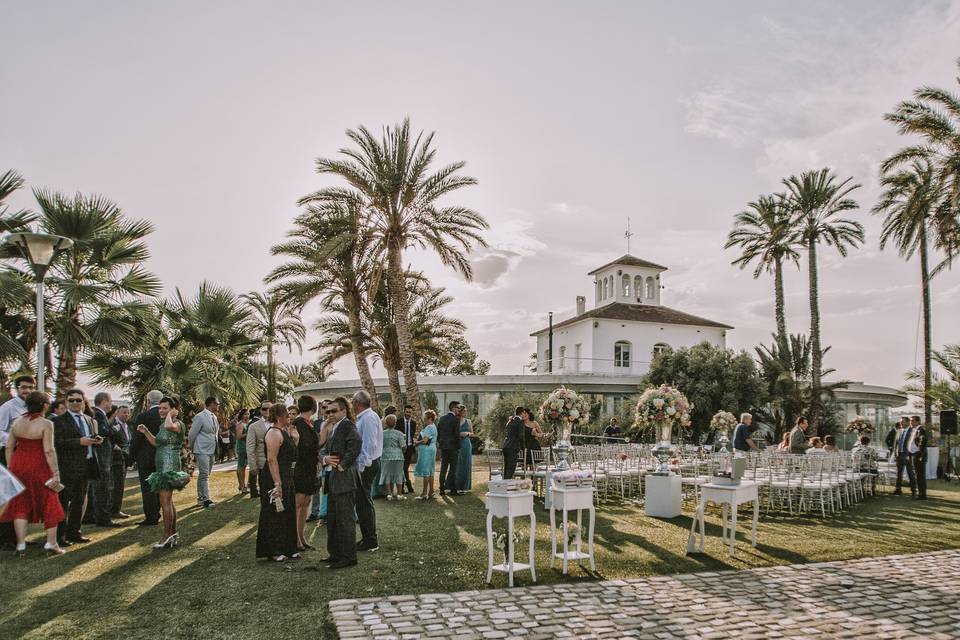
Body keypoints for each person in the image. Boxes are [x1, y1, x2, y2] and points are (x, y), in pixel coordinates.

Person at [0, 392, 66, 556]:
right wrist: (56, 472)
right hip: (39, 465)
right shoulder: (46, 424)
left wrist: (11, 466)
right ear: (44, 405)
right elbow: (49, 450)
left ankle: (21, 545)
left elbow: (9, 447)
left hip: (18, 464)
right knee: (50, 500)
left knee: (20, 504)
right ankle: (51, 544)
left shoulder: (17, 422)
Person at [53, 388, 104, 547]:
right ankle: (59, 536)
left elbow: (90, 439)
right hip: (68, 467)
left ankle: (74, 532)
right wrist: (79, 442)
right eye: (71, 400)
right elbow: (57, 443)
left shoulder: (89, 419)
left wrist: (97, 440)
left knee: (79, 501)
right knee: (63, 502)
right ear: (66, 402)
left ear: (84, 402)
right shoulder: (58, 421)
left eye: (78, 400)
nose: (75, 403)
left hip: (87, 465)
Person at [139, 397, 190, 549]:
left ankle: (167, 535)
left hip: (169, 465)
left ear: (173, 410)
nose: (161, 411)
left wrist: (171, 414)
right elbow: (156, 443)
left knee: (164, 501)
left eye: (165, 408)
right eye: (160, 408)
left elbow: (170, 425)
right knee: (167, 501)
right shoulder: (163, 424)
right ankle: (172, 533)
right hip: (161, 464)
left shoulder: (177, 424)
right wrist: (146, 431)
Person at [255, 404, 300, 562]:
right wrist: (277, 484)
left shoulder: (284, 432)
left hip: (287, 476)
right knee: (274, 513)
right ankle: (273, 550)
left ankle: (289, 547)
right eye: (287, 414)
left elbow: (291, 454)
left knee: (288, 512)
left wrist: (296, 439)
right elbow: (271, 459)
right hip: (275, 477)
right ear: (280, 415)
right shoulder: (273, 433)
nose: (289, 416)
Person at [321, 397, 362, 569]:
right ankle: (335, 554)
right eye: (328, 411)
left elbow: (356, 445)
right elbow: (323, 449)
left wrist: (343, 465)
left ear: (344, 411)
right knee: (333, 519)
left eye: (334, 411)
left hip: (344, 480)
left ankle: (348, 556)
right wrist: (324, 459)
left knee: (345, 520)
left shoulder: (348, 426)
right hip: (333, 480)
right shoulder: (333, 427)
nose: (330, 413)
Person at [0, 375, 35, 550]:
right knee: (9, 496)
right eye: (23, 387)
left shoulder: (33, 407)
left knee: (23, 495)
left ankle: (19, 536)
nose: (27, 391)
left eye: (30, 387)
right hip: (8, 453)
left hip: (27, 455)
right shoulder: (8, 407)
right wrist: (15, 439)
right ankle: (6, 538)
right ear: (17, 389)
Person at [129, 390, 164, 526]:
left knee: (148, 488)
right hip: (162, 456)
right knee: (159, 486)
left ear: (148, 401)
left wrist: (131, 458)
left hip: (146, 457)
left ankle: (151, 516)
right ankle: (158, 511)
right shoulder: (165, 416)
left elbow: (136, 439)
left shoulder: (143, 416)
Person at [351, 390, 381, 552]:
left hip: (367, 465)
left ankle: (370, 539)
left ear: (357, 403)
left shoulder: (368, 418)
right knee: (364, 503)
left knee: (364, 503)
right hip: (368, 464)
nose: (351, 405)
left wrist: (361, 468)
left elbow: (369, 445)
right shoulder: (367, 417)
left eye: (352, 402)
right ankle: (368, 537)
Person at [88, 391, 119, 528]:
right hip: (101, 457)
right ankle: (103, 518)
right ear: (104, 401)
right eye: (110, 401)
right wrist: (115, 428)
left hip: (101, 456)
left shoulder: (98, 414)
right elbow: (102, 432)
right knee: (102, 488)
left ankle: (92, 515)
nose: (111, 405)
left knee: (97, 488)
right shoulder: (98, 414)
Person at [292, 395, 319, 552]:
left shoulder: (309, 424)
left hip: (310, 467)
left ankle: (301, 537)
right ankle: (295, 538)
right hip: (301, 468)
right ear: (313, 407)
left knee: (306, 502)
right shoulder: (298, 424)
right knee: (298, 503)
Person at [188, 396, 220, 509]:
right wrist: (192, 449)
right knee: (204, 474)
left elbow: (214, 434)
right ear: (211, 404)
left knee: (205, 474)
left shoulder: (214, 417)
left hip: (212, 448)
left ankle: (200, 498)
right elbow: (192, 434)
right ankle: (206, 499)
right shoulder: (200, 416)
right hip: (201, 449)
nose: (218, 406)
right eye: (217, 403)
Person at [309, 400, 334, 523]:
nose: (326, 411)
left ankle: (326, 514)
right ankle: (315, 512)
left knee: (328, 488)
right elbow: (316, 443)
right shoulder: (317, 423)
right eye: (324, 407)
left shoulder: (338, 423)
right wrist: (318, 459)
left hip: (331, 461)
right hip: (319, 459)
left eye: (330, 409)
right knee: (316, 487)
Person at [109, 405, 133, 519]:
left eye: (128, 413)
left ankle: (116, 509)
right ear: (117, 413)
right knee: (116, 486)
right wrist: (114, 446)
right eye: (124, 412)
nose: (126, 414)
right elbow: (108, 438)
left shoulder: (128, 426)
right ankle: (114, 510)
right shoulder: (112, 425)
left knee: (120, 485)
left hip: (125, 459)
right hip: (115, 460)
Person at [246, 401, 272, 499]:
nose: (266, 411)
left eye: (269, 408)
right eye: (264, 409)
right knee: (265, 495)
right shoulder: (254, 426)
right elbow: (250, 448)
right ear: (260, 411)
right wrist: (253, 466)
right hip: (263, 464)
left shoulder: (278, 423)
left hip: (278, 463)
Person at [437, 401, 462, 497]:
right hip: (453, 447)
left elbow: (439, 432)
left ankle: (442, 489)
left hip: (444, 447)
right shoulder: (456, 419)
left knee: (443, 468)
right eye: (458, 408)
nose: (459, 410)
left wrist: (441, 443)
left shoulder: (442, 419)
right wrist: (458, 446)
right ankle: (451, 488)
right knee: (453, 469)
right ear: (453, 408)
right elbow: (456, 435)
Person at [379, 415, 405, 500]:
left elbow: (379, 445)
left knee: (387, 474)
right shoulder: (400, 434)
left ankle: (389, 494)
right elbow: (403, 446)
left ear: (386, 423)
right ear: (395, 423)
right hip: (398, 456)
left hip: (385, 456)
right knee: (398, 474)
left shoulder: (382, 434)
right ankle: (399, 494)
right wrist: (403, 450)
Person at [414, 410, 438, 500]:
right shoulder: (433, 426)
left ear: (430, 418)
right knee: (431, 471)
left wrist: (417, 442)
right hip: (432, 449)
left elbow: (425, 440)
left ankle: (424, 493)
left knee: (426, 471)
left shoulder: (429, 427)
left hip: (427, 450)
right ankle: (431, 491)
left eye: (425, 418)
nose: (424, 419)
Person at [893, 417, 916, 496]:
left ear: (908, 422)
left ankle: (913, 490)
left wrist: (911, 454)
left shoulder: (912, 431)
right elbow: (896, 443)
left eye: (903, 422)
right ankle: (898, 489)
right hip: (899, 454)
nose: (901, 423)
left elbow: (914, 444)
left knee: (910, 473)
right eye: (900, 422)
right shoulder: (899, 431)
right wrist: (895, 453)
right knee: (899, 473)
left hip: (908, 455)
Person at [501, 408, 525, 480]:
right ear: (522, 413)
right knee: (511, 468)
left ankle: (504, 485)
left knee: (506, 467)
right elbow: (521, 436)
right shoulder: (520, 422)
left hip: (506, 445)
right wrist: (523, 447)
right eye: (524, 413)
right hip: (513, 446)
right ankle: (507, 486)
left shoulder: (510, 421)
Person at [399, 405, 418, 495]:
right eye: (407, 412)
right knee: (403, 468)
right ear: (404, 412)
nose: (408, 414)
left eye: (410, 412)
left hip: (410, 448)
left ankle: (404, 487)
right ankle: (407, 486)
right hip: (401, 448)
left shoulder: (413, 423)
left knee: (405, 467)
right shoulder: (399, 422)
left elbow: (412, 434)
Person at [455, 406, 474, 492]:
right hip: (458, 444)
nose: (466, 412)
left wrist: (467, 433)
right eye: (464, 411)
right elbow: (453, 433)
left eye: (466, 411)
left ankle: (466, 487)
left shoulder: (469, 421)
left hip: (466, 444)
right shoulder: (455, 421)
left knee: (466, 464)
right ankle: (457, 486)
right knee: (458, 464)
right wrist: (459, 434)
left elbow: (472, 433)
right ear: (460, 412)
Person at [909, 415, 927, 500]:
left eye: (912, 421)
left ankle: (922, 494)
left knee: (920, 475)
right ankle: (921, 493)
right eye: (910, 421)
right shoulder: (915, 430)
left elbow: (922, 440)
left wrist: (920, 453)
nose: (911, 422)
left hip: (918, 455)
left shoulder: (921, 430)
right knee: (918, 475)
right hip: (914, 454)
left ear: (918, 422)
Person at [233, 408, 250, 494]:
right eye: (245, 414)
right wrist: (249, 434)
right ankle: (241, 485)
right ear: (242, 415)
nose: (247, 415)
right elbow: (239, 436)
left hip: (247, 447)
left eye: (248, 414)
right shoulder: (240, 424)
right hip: (241, 447)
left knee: (244, 467)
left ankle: (243, 485)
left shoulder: (248, 423)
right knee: (240, 467)